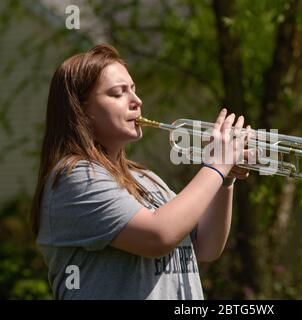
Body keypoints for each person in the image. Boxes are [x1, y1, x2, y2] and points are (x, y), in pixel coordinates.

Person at [30, 44, 252, 300]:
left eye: (133, 89)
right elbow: (159, 236)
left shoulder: (146, 179)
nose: (137, 101)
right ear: (82, 111)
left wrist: (225, 180)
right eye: (118, 93)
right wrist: (217, 165)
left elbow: (206, 247)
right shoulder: (74, 178)